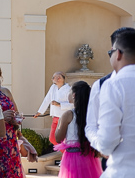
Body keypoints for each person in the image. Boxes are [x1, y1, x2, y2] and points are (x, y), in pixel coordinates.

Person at [86, 27, 135, 171]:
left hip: (123, 168)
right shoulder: (101, 84)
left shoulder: (112, 85)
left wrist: (101, 145)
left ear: (118, 53)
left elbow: (106, 142)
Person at [0, 60, 37, 178]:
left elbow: (16, 112)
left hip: (10, 140)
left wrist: (16, 119)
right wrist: (1, 117)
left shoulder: (5, 92)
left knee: (12, 171)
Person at [54, 81, 102, 178]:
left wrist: (60, 122)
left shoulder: (68, 115)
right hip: (89, 156)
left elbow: (58, 138)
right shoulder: (92, 114)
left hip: (72, 157)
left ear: (74, 95)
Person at [34, 71, 72, 145]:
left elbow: (72, 105)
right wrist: (39, 112)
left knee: (64, 139)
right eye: (54, 77)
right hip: (55, 117)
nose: (54, 79)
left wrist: (60, 104)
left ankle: (66, 154)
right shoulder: (53, 87)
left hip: (63, 118)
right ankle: (65, 152)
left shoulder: (68, 89)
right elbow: (47, 99)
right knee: (52, 139)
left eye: (58, 77)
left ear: (61, 78)